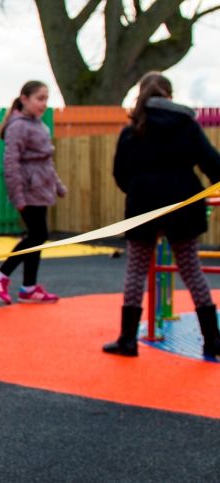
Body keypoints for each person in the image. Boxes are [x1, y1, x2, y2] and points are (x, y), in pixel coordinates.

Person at [102, 71, 220, 359]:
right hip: (182, 203)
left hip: (143, 205)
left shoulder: (133, 129)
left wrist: (139, 188)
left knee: (136, 270)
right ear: (169, 96)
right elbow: (212, 163)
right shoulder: (186, 125)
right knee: (191, 269)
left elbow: (120, 173)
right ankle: (212, 340)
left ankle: (128, 340)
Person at [0, 80, 67, 305]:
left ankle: (29, 287)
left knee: (37, 237)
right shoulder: (18, 126)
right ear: (24, 99)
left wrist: (57, 186)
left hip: (41, 189)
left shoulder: (39, 125)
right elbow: (10, 163)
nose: (44, 104)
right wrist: (18, 196)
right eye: (40, 98)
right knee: (37, 236)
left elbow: (46, 163)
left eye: (46, 99)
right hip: (28, 190)